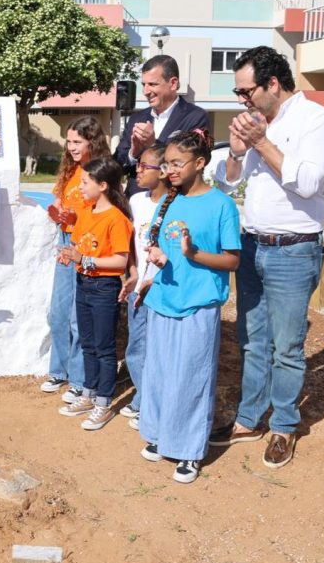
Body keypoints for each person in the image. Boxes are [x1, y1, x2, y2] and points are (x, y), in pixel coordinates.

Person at [211, 45, 324, 469]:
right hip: (252, 245)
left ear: (272, 83)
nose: (241, 100)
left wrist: (260, 142)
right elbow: (229, 184)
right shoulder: (256, 124)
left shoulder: (317, 121)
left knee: (286, 347)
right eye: (237, 91)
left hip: (294, 250)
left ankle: (284, 425)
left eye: (246, 91)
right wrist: (236, 151)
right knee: (252, 340)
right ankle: (249, 419)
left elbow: (307, 183)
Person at [138, 129, 240, 484]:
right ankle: (159, 434)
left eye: (177, 163)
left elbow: (232, 261)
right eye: (166, 164)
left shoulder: (222, 205)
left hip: (198, 304)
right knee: (159, 374)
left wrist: (194, 254)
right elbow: (156, 243)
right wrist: (157, 255)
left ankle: (189, 450)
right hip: (163, 299)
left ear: (199, 163)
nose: (170, 170)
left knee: (192, 377)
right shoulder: (169, 201)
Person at [57, 157, 133, 431]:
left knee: (104, 347)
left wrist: (85, 260)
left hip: (104, 288)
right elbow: (79, 244)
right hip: (84, 283)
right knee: (87, 343)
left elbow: (120, 261)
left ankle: (104, 402)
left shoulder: (117, 219)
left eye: (85, 182)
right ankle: (89, 394)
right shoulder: (86, 212)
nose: (80, 187)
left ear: (103, 185)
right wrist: (70, 255)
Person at [40, 116, 112, 405]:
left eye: (77, 142)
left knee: (77, 319)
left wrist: (75, 218)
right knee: (58, 313)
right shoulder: (70, 169)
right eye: (69, 141)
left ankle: (80, 381)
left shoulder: (100, 171)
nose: (71, 147)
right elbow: (60, 201)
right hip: (66, 241)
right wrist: (58, 212)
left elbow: (104, 212)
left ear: (92, 141)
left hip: (87, 246)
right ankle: (59, 371)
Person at [118, 143, 170, 429]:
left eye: (143, 166)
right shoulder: (137, 200)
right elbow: (131, 244)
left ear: (162, 171)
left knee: (158, 350)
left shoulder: (175, 204)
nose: (137, 170)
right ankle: (144, 398)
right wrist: (133, 272)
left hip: (161, 289)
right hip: (138, 288)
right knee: (136, 348)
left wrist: (152, 279)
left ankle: (151, 404)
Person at [114, 55, 211, 195]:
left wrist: (153, 144)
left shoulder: (195, 116)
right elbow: (117, 164)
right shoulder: (137, 118)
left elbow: (188, 164)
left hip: (173, 200)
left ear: (173, 83)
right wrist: (133, 154)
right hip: (135, 200)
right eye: (143, 85)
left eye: (152, 84)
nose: (146, 91)